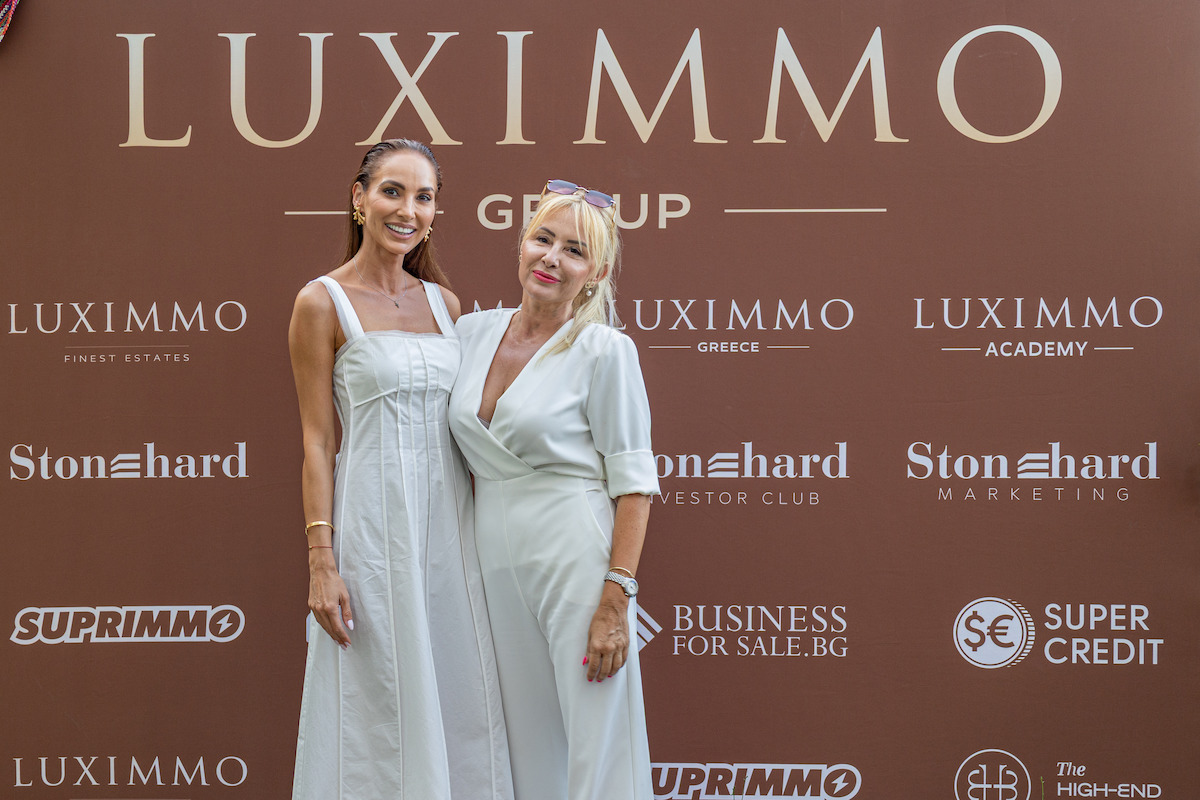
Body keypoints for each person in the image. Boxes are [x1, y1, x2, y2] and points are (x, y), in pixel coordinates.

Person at [288, 139, 512, 800]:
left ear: (436, 213)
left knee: (460, 694)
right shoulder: (321, 302)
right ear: (359, 199)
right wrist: (322, 563)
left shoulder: (447, 305)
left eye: (423, 197)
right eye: (392, 191)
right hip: (371, 537)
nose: (407, 210)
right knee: (376, 701)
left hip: (452, 538)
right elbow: (316, 441)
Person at [448, 180, 659, 799]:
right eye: (543, 239)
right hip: (490, 558)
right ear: (521, 244)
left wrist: (615, 600)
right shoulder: (469, 333)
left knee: (598, 736)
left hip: (576, 554)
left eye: (574, 250)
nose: (552, 258)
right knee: (524, 742)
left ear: (596, 274)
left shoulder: (604, 351)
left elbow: (635, 485)